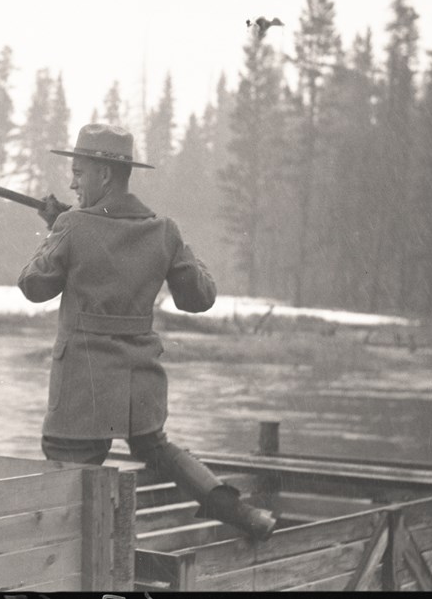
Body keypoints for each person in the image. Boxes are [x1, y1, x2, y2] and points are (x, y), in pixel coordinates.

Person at [17, 123, 277, 540]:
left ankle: (74, 568)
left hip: (82, 392)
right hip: (139, 387)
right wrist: (177, 250)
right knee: (156, 448)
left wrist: (57, 229)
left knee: (67, 477)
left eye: (79, 173)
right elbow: (200, 297)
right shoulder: (163, 230)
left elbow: (34, 286)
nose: (72, 182)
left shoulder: (72, 226)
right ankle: (243, 514)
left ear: (103, 175)